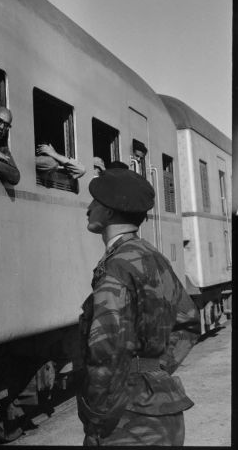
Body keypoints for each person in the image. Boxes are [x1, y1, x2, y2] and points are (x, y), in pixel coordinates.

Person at [78, 168, 200, 446]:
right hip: (165, 414)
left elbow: (105, 348)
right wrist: (154, 370)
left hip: (129, 423)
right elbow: (189, 320)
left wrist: (97, 417)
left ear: (108, 213)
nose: (89, 207)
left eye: (95, 202)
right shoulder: (153, 257)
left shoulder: (116, 266)